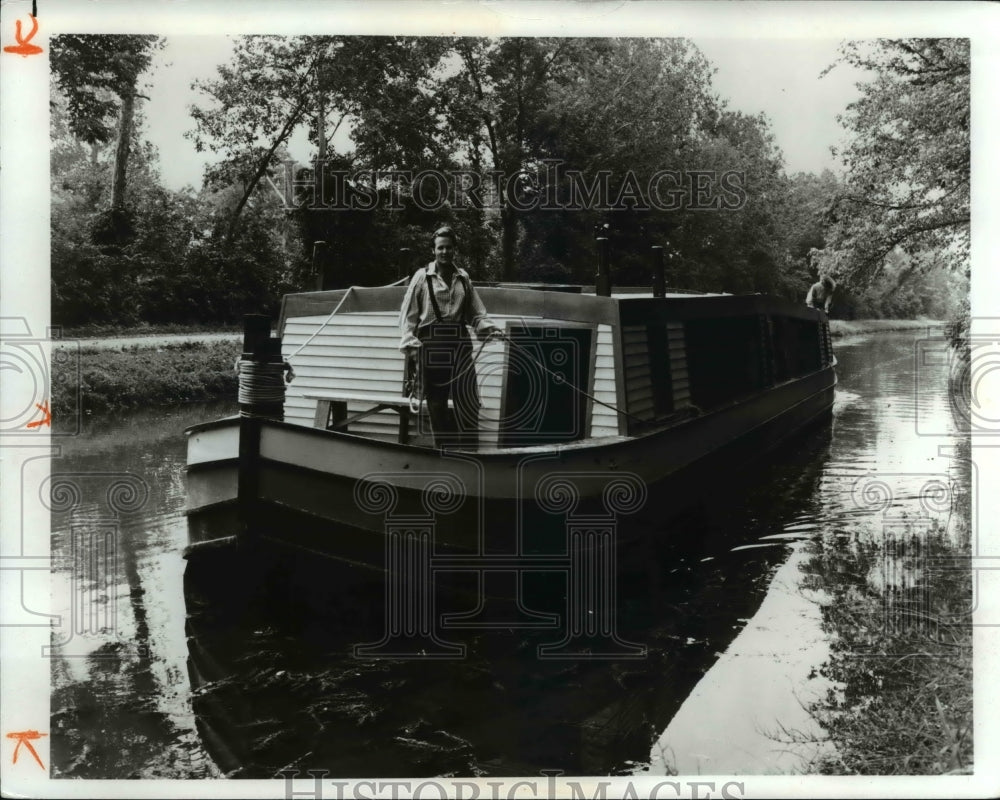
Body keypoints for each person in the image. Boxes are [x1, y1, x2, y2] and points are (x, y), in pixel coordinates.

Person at [399, 226, 502, 449]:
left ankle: (468, 452)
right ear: (433, 250)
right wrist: (411, 345)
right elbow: (408, 316)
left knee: (469, 399)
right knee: (437, 404)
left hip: (460, 343)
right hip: (432, 345)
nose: (445, 252)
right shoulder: (422, 277)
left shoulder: (463, 278)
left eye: (449, 248)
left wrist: (490, 328)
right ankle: (443, 453)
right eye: (440, 248)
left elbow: (476, 313)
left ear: (455, 250)